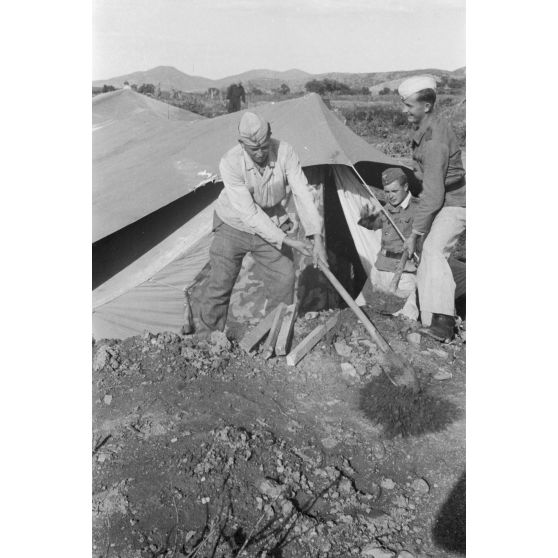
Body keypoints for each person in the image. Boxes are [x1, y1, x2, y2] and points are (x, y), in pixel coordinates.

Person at [194, 112, 327, 334]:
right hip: (233, 223)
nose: (259, 153)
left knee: (284, 278)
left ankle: (272, 335)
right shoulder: (230, 161)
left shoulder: (285, 151)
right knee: (220, 283)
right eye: (252, 149)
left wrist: (317, 237)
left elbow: (302, 192)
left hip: (271, 219)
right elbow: (249, 214)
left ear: (271, 137)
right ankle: (207, 342)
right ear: (241, 144)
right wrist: (286, 240)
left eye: (264, 147)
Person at [397, 75, 466, 342]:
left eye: (409, 105)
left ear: (426, 105)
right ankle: (421, 315)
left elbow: (435, 195)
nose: (404, 110)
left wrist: (414, 233)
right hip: (441, 199)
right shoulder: (424, 129)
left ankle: (443, 322)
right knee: (430, 255)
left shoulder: (435, 139)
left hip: (455, 201)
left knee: (434, 250)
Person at [356, 167, 419, 321]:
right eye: (387, 192)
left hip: (403, 272)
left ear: (405, 187)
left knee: (406, 317)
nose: (390, 196)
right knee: (364, 312)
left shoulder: (418, 209)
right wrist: (366, 219)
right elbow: (376, 224)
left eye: (394, 191)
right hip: (380, 268)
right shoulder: (387, 208)